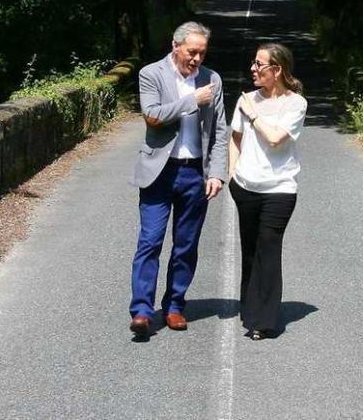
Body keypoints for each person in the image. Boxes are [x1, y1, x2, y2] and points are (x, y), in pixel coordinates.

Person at [128, 21, 228, 339]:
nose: (197, 58)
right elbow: (152, 116)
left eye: (202, 53)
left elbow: (221, 130)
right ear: (176, 46)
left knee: (186, 246)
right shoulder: (151, 74)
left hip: (194, 173)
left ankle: (174, 306)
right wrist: (191, 101)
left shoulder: (212, 80)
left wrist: (216, 173)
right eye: (191, 51)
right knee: (150, 241)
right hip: (159, 171)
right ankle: (142, 311)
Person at [229, 43, 307, 340]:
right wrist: (232, 174)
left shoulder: (296, 104)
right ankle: (249, 307)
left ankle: (264, 319)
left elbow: (275, 139)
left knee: (269, 248)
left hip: (280, 189)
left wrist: (254, 115)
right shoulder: (247, 100)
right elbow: (234, 138)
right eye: (253, 63)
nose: (253, 69)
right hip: (245, 186)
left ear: (278, 70)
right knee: (250, 250)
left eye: (260, 64)